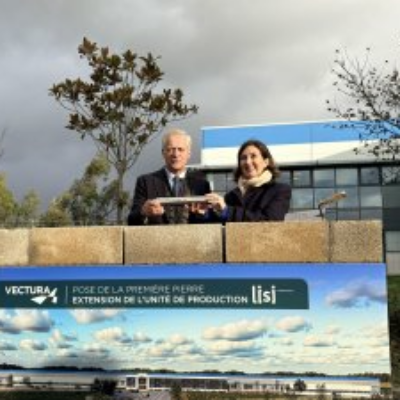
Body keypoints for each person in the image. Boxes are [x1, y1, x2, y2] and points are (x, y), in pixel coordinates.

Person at [127, 128, 211, 225]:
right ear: (163, 153)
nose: (175, 154)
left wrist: (203, 214)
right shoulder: (145, 182)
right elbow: (131, 220)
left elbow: (212, 221)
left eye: (180, 149)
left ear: (189, 154)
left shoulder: (202, 184)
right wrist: (143, 212)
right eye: (170, 149)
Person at [205, 139, 291, 222]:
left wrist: (228, 211)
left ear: (266, 162)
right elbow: (219, 223)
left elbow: (270, 222)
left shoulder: (279, 191)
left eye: (253, 156)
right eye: (243, 158)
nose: (248, 162)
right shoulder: (231, 196)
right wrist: (205, 213)